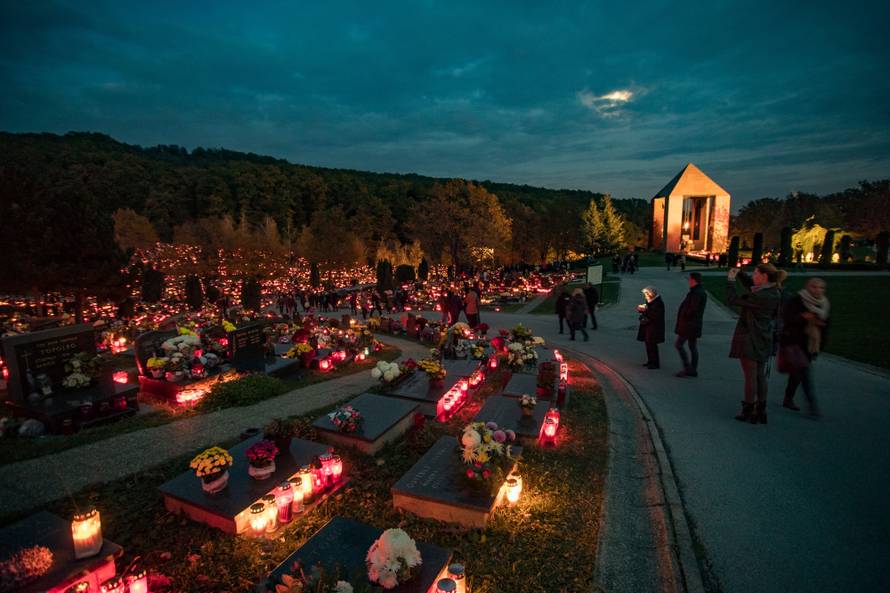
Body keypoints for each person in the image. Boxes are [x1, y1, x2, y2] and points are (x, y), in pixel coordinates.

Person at [726, 263, 786, 424]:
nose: (753, 276)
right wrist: (740, 274)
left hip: (750, 337)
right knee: (760, 375)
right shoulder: (774, 291)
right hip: (764, 337)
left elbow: (732, 299)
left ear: (764, 276)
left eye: (756, 273)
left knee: (750, 376)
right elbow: (752, 284)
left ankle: (747, 410)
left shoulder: (761, 296)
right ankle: (760, 410)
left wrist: (731, 280)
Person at [780, 278, 829, 417]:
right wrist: (802, 318)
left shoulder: (824, 304)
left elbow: (826, 326)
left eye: (821, 288)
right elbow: (787, 318)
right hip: (795, 342)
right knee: (804, 372)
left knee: (797, 374)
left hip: (811, 344)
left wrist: (820, 344)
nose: (817, 290)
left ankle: (788, 398)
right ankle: (812, 404)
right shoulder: (798, 300)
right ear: (808, 287)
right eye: (814, 287)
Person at [674, 272, 707, 377]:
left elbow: (693, 310)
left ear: (693, 280)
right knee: (692, 346)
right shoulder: (697, 291)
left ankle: (688, 368)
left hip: (689, 325)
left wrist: (685, 316)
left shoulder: (697, 293)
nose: (688, 281)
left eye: (690, 279)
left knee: (679, 345)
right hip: (693, 325)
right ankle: (693, 369)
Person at [637, 286, 665, 369]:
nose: (645, 295)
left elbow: (654, 315)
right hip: (649, 326)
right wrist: (642, 310)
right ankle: (650, 361)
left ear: (651, 294)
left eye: (646, 294)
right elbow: (648, 311)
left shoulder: (657, 303)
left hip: (654, 327)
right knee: (648, 343)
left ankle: (655, 363)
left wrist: (644, 311)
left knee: (652, 344)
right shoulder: (650, 301)